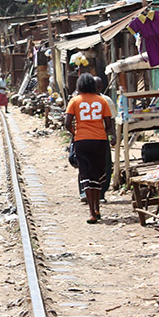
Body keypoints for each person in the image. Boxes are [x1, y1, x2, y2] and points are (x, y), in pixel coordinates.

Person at [64, 73, 115, 224]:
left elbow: (67, 123)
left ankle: (92, 212)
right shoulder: (102, 101)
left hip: (82, 141)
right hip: (99, 141)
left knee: (85, 174)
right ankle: (98, 207)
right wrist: (102, 134)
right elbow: (109, 124)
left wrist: (75, 133)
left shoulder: (74, 101)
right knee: (97, 175)